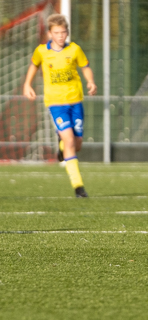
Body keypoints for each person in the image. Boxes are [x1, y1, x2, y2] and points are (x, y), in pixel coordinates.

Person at [23, 13, 96, 197]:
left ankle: (62, 148)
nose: (61, 36)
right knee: (70, 140)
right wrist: (27, 84)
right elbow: (34, 65)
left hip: (76, 101)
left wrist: (90, 81)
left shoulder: (74, 50)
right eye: (57, 33)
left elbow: (85, 66)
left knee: (77, 143)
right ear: (50, 34)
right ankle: (78, 187)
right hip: (56, 104)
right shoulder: (41, 51)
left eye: (63, 32)